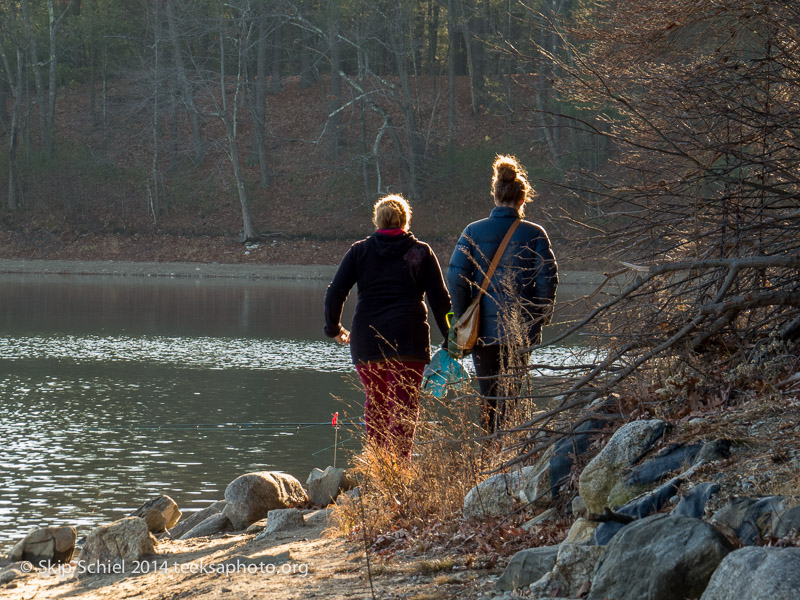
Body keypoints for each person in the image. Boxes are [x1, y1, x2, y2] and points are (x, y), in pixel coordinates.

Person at [324, 194, 451, 459]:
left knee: (377, 403)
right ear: (405, 220)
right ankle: (398, 470)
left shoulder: (359, 251)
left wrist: (334, 329)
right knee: (404, 409)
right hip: (410, 340)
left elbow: (335, 292)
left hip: (368, 341)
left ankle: (379, 467)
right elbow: (440, 300)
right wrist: (451, 339)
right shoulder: (421, 252)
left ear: (377, 220)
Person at [447, 155, 558, 435]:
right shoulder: (536, 234)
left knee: (489, 395)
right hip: (520, 327)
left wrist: (461, 318)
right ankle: (508, 449)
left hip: (482, 330)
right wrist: (539, 317)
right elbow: (548, 279)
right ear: (522, 200)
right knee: (512, 395)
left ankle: (490, 450)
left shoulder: (472, 232)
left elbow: (456, 279)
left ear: (495, 197)